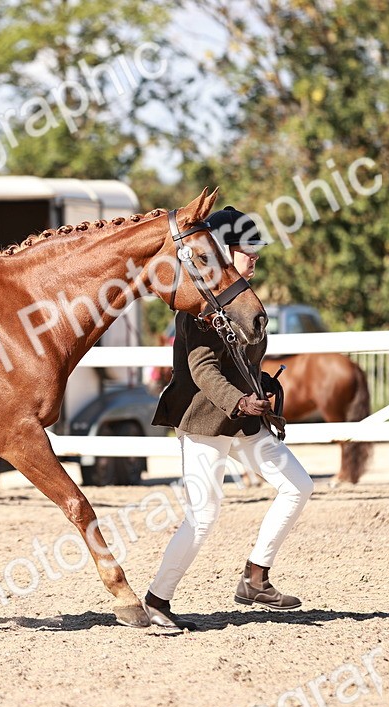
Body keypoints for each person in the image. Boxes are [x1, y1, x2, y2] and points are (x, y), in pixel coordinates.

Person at [144, 206, 314, 629]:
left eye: (256, 251)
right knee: (203, 516)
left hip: (245, 421)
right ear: (221, 253)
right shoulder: (198, 306)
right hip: (205, 422)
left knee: (298, 486)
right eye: (245, 250)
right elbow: (204, 370)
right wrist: (239, 401)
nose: (254, 258)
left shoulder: (241, 301)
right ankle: (156, 600)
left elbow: (244, 361)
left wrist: (263, 390)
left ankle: (255, 577)